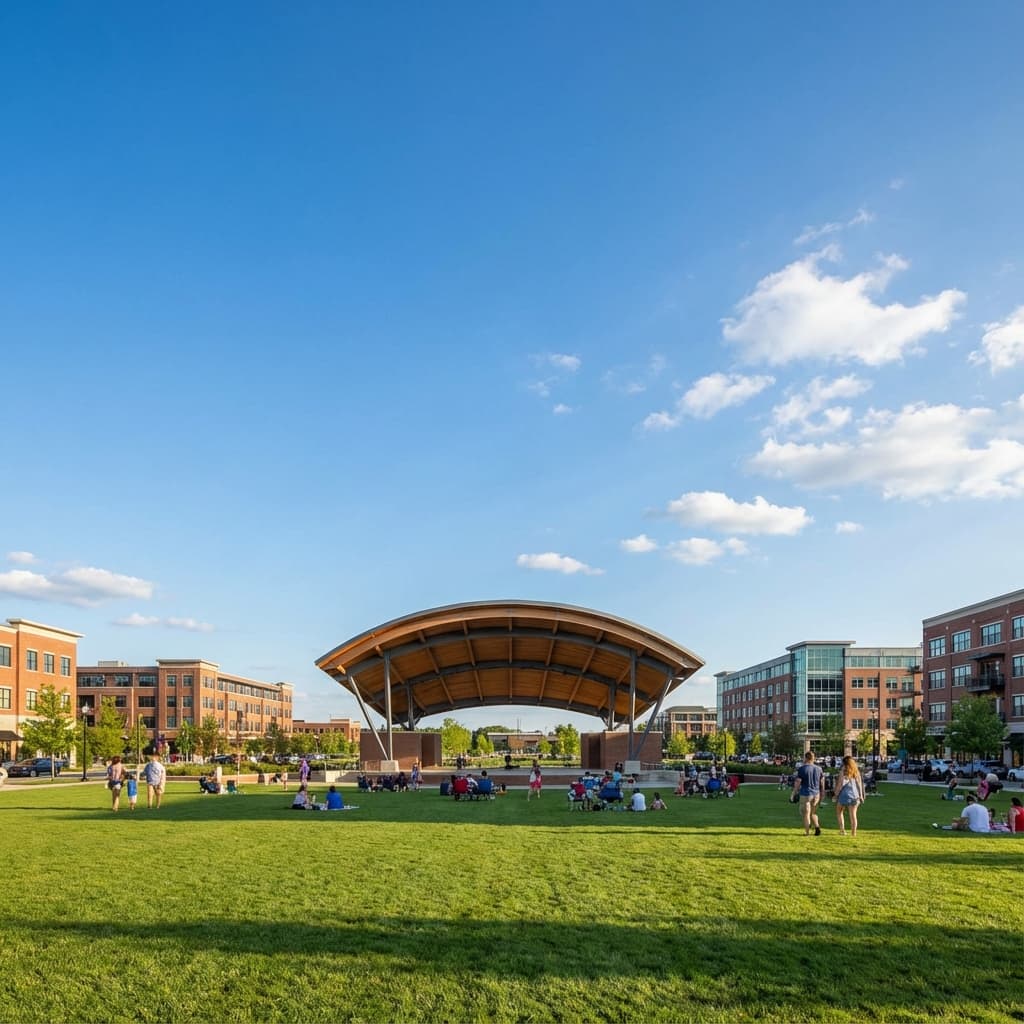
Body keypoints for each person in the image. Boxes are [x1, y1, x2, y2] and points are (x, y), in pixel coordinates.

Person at [791, 750, 824, 836]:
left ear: (806, 758)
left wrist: (793, 793)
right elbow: (822, 782)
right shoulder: (819, 769)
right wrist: (822, 793)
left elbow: (798, 782)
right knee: (813, 813)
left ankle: (807, 832)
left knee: (806, 814)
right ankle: (817, 827)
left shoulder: (802, 769)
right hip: (816, 793)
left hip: (806, 793)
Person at [834, 755, 865, 836]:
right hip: (855, 795)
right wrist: (861, 795)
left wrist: (836, 794)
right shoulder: (856, 771)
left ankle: (842, 830)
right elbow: (859, 785)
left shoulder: (843, 771)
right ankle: (853, 833)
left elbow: (840, 785)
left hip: (844, 795)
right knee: (853, 815)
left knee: (839, 812)